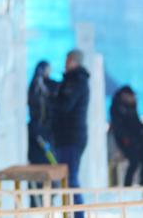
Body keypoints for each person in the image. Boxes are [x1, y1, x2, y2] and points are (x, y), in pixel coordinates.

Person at [53, 50, 90, 217]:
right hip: (65, 136)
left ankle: (78, 215)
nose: (65, 63)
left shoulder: (77, 81)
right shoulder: (70, 81)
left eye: (68, 60)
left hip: (71, 137)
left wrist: (52, 98)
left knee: (70, 179)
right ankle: (72, 213)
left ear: (75, 61)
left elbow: (65, 105)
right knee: (67, 180)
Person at [109, 86, 143, 186]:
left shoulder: (131, 106)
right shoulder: (117, 108)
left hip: (135, 137)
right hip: (125, 139)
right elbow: (118, 127)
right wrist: (128, 137)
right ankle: (127, 186)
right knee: (134, 160)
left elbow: (136, 122)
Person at [27, 61, 58, 164]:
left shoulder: (44, 85)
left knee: (46, 157)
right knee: (43, 157)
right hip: (40, 129)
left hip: (41, 128)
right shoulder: (37, 85)